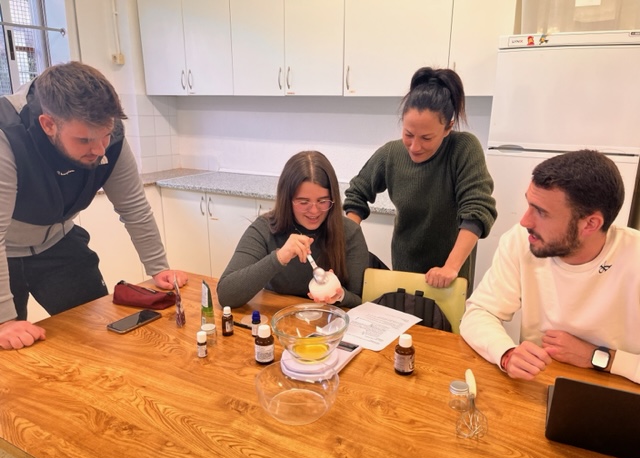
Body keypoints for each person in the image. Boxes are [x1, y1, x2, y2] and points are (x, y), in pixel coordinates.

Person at [0, 61, 187, 351]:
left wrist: (158, 268)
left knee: (99, 334)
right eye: (85, 140)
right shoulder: (8, 135)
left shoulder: (109, 139)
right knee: (11, 347)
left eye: (105, 136)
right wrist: (5, 321)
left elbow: (134, 207)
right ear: (48, 125)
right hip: (6, 251)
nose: (100, 150)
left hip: (59, 242)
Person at [460, 150, 640, 384]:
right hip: (539, 385)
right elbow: (479, 312)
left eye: (541, 212)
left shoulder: (633, 256)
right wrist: (506, 352)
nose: (525, 221)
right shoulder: (520, 240)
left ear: (590, 224)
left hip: (618, 392)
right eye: (529, 204)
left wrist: (596, 357)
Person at [343, 67, 497, 288]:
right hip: (404, 275)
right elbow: (357, 193)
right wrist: (348, 243)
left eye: (426, 138)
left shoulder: (463, 149)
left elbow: (477, 211)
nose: (415, 147)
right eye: (408, 134)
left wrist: (450, 267)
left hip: (451, 281)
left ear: (448, 127)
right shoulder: (391, 154)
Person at [217, 151, 369, 308]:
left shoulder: (350, 232)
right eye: (303, 202)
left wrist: (340, 295)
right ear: (287, 200)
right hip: (279, 318)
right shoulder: (265, 229)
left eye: (323, 201)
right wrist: (280, 257)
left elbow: (362, 301)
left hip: (331, 321)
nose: (314, 211)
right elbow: (226, 295)